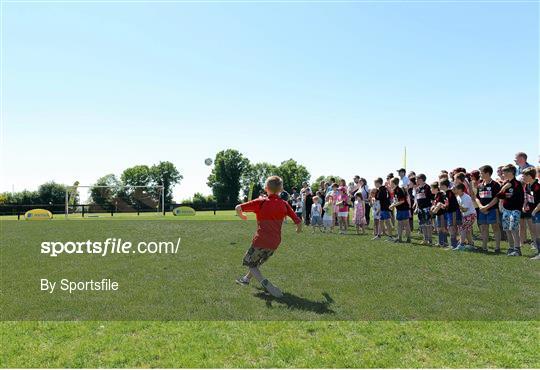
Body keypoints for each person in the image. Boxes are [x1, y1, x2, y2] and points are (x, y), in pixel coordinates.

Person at [235, 176, 302, 297]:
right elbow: (298, 221)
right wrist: (298, 229)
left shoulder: (261, 202)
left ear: (266, 188)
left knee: (250, 262)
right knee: (257, 262)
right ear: (281, 189)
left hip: (260, 240)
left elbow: (238, 207)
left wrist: (242, 216)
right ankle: (246, 279)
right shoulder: (284, 204)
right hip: (275, 243)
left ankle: (264, 282)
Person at [480, 164, 524, 257]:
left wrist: (507, 193)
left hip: (515, 209)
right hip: (506, 210)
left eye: (504, 172)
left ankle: (517, 249)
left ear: (510, 172)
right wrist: (504, 188)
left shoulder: (517, 183)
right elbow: (499, 195)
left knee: (514, 229)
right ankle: (511, 248)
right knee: (507, 229)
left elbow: (518, 197)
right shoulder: (505, 183)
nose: (502, 174)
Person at [473, 165, 502, 253]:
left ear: (487, 173)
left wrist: (486, 207)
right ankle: (484, 247)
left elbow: (496, 198)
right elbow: (477, 197)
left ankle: (497, 248)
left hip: (493, 210)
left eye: (481, 173)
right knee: (484, 229)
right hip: (481, 210)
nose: (480, 175)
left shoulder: (495, 184)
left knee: (495, 228)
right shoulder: (480, 185)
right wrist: (481, 207)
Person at [523, 167, 540, 259]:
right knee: (535, 232)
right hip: (533, 212)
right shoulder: (527, 185)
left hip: (537, 212)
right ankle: (538, 251)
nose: (523, 177)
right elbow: (527, 198)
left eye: (524, 176)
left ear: (530, 176)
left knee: (538, 233)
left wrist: (534, 211)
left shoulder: (538, 186)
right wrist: (524, 205)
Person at [455, 183, 476, 251]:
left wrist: (457, 206)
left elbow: (465, 209)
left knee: (463, 228)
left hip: (471, 215)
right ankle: (471, 244)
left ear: (460, 189)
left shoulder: (466, 197)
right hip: (465, 215)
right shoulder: (458, 197)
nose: (455, 190)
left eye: (456, 189)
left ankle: (461, 244)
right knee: (467, 231)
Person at [389, 177, 411, 243]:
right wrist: (392, 204)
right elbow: (396, 200)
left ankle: (408, 238)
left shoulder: (399, 190)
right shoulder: (395, 190)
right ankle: (399, 238)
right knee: (399, 224)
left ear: (393, 183)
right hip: (399, 210)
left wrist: (393, 205)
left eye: (390, 183)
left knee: (406, 224)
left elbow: (402, 201)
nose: (390, 185)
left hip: (404, 209)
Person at [440, 179, 461, 248]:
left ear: (444, 186)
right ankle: (454, 244)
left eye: (440, 185)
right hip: (449, 213)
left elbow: (452, 205)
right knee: (450, 228)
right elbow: (447, 204)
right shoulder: (445, 193)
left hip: (453, 213)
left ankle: (454, 245)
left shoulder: (449, 192)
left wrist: (443, 206)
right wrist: (443, 206)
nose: (439, 187)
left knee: (452, 228)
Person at [414, 174, 433, 245]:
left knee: (428, 224)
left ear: (421, 179)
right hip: (420, 209)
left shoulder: (427, 187)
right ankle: (425, 239)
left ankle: (430, 240)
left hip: (426, 208)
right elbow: (417, 199)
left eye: (417, 179)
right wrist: (416, 208)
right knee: (422, 225)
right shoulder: (417, 188)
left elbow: (431, 198)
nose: (416, 180)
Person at [430, 181, 448, 247]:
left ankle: (445, 242)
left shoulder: (441, 194)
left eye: (431, 188)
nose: (430, 190)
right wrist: (433, 207)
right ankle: (440, 242)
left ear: (436, 189)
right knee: (439, 228)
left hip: (443, 214)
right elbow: (436, 203)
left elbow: (443, 203)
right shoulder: (436, 195)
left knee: (443, 228)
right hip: (438, 214)